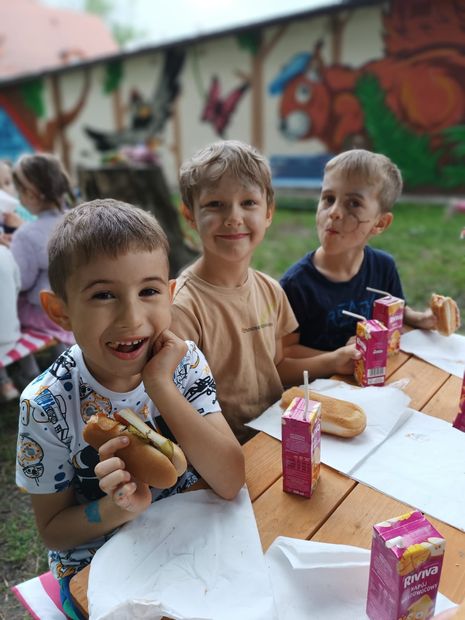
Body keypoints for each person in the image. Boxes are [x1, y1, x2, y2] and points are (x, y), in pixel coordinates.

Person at [15, 199, 244, 619]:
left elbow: (230, 480)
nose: (132, 317)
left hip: (187, 535)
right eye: (103, 295)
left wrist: (161, 386)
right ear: (60, 311)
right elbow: (53, 531)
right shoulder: (46, 405)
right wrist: (115, 508)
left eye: (148, 291)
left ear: (170, 295)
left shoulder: (184, 362)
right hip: (95, 566)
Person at [170, 140, 359, 444]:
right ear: (189, 215)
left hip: (277, 435)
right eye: (215, 204)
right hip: (225, 450)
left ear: (268, 213)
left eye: (248, 203)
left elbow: (278, 368)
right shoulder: (184, 308)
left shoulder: (271, 290)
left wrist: (334, 360)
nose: (234, 217)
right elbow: (181, 407)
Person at [280, 149, 436, 355]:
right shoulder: (296, 284)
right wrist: (337, 359)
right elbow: (285, 352)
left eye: (353, 203)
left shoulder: (383, 267)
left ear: (380, 223)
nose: (334, 212)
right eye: (328, 199)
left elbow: (395, 311)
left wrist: (421, 319)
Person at [10, 153, 75, 351]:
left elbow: (21, 282)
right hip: (78, 306)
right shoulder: (77, 220)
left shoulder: (25, 235)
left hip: (48, 314)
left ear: (30, 195)